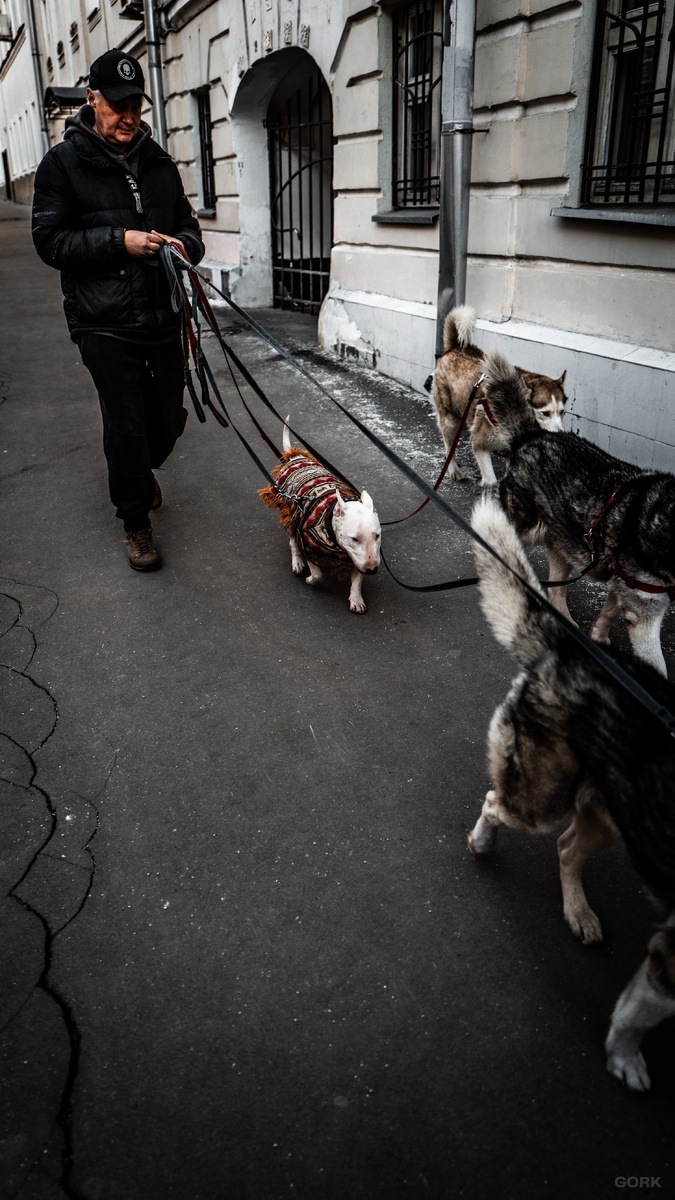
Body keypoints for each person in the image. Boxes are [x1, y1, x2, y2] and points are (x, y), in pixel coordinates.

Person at [32, 48, 205, 571]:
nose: (128, 116)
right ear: (92, 100)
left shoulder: (159, 163)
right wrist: (119, 241)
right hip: (102, 321)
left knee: (167, 422)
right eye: (117, 105)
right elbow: (50, 241)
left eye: (135, 105)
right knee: (127, 426)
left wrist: (182, 245)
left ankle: (139, 473)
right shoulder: (62, 164)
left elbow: (190, 227)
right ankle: (135, 522)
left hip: (161, 316)